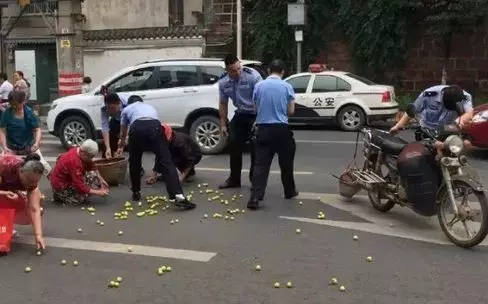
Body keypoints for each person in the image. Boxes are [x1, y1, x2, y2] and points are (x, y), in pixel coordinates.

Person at [116, 99, 195, 209]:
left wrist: (121, 144)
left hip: (136, 129)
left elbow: (123, 132)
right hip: (154, 127)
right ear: (141, 101)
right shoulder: (150, 107)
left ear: (130, 102)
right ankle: (178, 196)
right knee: (166, 161)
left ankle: (136, 192)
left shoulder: (127, 109)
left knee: (135, 161)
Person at [247, 59, 298, 210]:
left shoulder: (259, 86)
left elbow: (256, 108)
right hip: (282, 130)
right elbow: (291, 111)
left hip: (263, 129)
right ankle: (289, 191)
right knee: (286, 163)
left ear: (269, 71)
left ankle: (255, 197)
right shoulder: (287, 87)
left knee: (261, 165)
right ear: (283, 72)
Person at [218, 54, 263, 189]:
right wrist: (223, 124)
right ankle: (234, 179)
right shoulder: (223, 82)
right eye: (233, 70)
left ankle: (254, 179)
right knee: (233, 144)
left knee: (255, 146)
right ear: (227, 70)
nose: (237, 72)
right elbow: (223, 103)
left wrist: (260, 119)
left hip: (255, 114)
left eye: (239, 68)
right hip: (241, 114)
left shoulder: (253, 76)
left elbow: (262, 98)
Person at [390, 85, 474, 138]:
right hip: (428, 131)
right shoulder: (429, 94)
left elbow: (469, 113)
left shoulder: (463, 96)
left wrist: (458, 122)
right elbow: (412, 110)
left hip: (449, 130)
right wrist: (398, 126)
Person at [0, 153, 45, 251]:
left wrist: (38, 235)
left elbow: (34, 209)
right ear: (20, 171)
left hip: (7, 189)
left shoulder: (32, 183)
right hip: (3, 189)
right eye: (28, 181)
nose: (30, 185)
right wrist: (3, 193)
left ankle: (5, 225)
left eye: (35, 182)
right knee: (5, 199)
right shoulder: (5, 166)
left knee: (32, 212)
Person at [0, 90, 51, 175]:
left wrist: (36, 143)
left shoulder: (29, 113)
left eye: (17, 104)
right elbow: (2, 130)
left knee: (46, 168)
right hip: (11, 147)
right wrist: (4, 146)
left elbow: (37, 130)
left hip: (29, 147)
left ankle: (56, 184)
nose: (15, 107)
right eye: (12, 104)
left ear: (23, 101)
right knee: (3, 167)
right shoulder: (6, 113)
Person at [50, 139, 109, 206]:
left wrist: (101, 179)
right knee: (80, 198)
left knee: (93, 176)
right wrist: (98, 193)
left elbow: (91, 165)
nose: (91, 159)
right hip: (61, 186)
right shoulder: (74, 162)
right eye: (90, 157)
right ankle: (60, 195)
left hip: (69, 178)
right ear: (82, 152)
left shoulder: (79, 151)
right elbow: (79, 185)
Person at [101, 92, 129, 159]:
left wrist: (122, 144)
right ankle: (107, 159)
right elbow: (105, 127)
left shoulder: (127, 104)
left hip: (130, 122)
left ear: (118, 104)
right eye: (109, 109)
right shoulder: (104, 108)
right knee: (107, 144)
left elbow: (129, 125)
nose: (111, 112)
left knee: (130, 141)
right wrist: (108, 148)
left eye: (113, 109)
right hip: (116, 120)